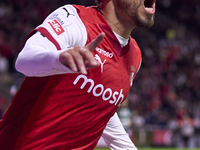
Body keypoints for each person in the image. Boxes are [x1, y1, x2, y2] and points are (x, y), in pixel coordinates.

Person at [0, 0, 156, 149]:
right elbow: (24, 61)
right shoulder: (76, 20)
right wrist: (59, 59)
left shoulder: (135, 55)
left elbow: (101, 108)